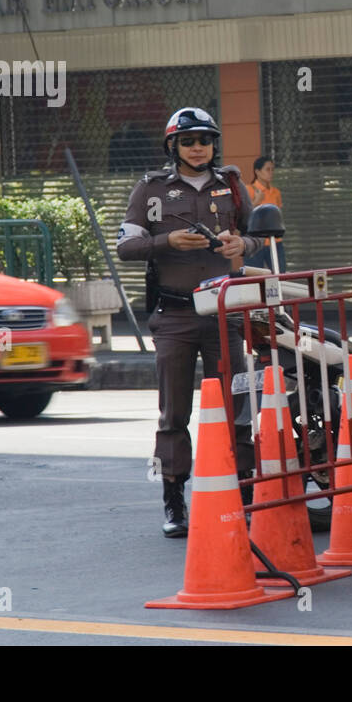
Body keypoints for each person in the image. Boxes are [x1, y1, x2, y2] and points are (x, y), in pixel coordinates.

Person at [117, 107, 264, 537]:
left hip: (225, 315)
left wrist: (243, 242)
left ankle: (244, 494)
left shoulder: (232, 186)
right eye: (188, 141)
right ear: (173, 147)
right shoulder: (151, 189)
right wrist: (167, 241)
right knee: (174, 413)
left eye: (204, 140)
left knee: (236, 410)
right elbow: (126, 247)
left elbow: (259, 237)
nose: (198, 148)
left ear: (214, 145)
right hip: (175, 315)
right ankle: (173, 501)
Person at [246, 155, 286, 271]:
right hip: (255, 242)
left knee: (280, 274)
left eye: (272, 169)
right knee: (254, 278)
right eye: (267, 169)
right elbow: (244, 216)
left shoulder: (276, 192)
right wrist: (256, 201)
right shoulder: (249, 189)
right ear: (257, 171)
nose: (271, 173)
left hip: (274, 241)